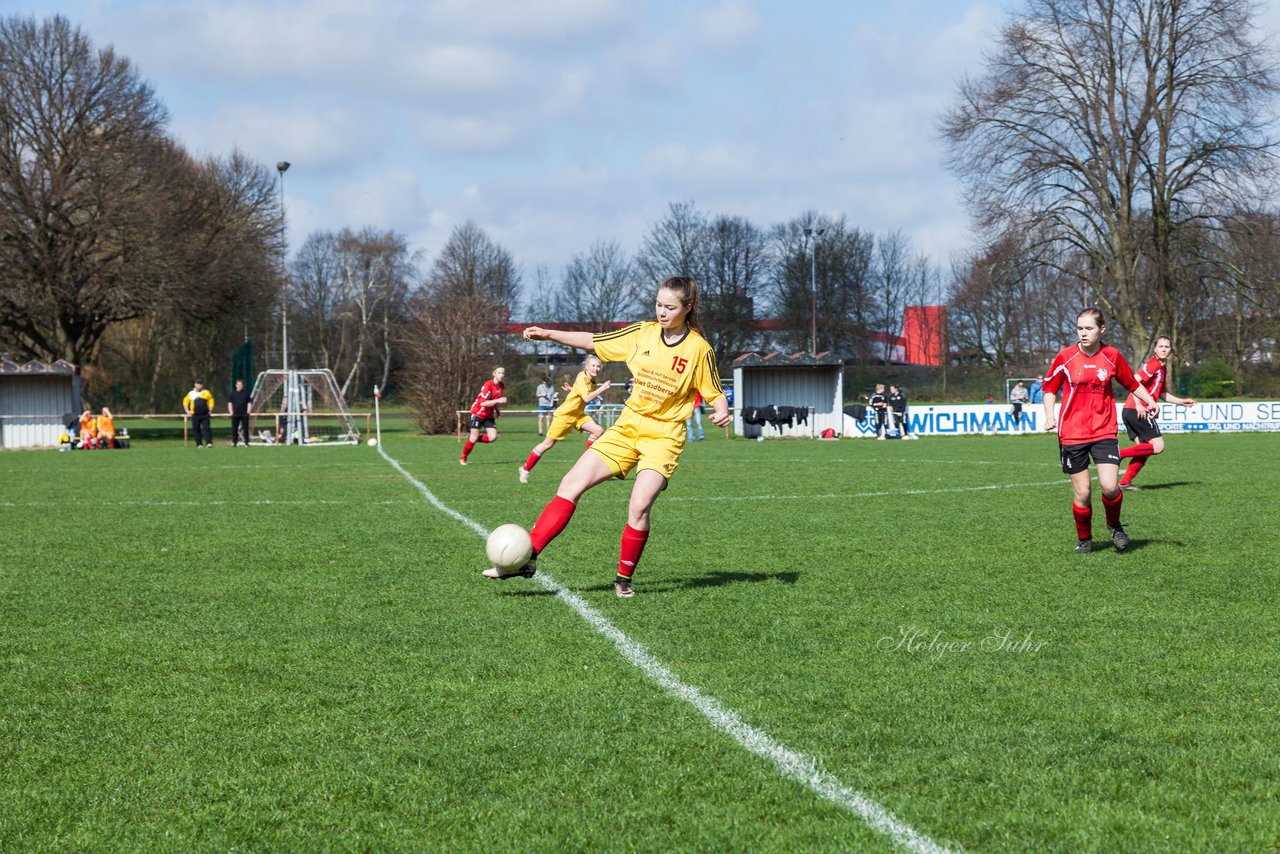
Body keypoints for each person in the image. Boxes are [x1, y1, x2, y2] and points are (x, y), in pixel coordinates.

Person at [484, 276, 729, 598]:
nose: (662, 312)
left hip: (664, 438)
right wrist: (549, 334)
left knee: (639, 506)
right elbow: (593, 341)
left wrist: (721, 409)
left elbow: (714, 391)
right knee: (570, 484)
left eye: (670, 307)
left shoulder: (699, 349)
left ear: (688, 308)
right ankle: (528, 558)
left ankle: (623, 579)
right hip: (627, 429)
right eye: (658, 304)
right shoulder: (642, 333)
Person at [1041, 308, 1159, 553]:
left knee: (1110, 486)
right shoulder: (1066, 356)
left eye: (1089, 328)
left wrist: (1149, 401)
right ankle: (1084, 539)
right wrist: (1050, 414)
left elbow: (1131, 383)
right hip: (1072, 434)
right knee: (1083, 493)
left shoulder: (1112, 356)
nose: (1083, 333)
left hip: (1104, 431)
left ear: (1102, 329)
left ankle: (1115, 526)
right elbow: (1050, 389)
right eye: (1079, 328)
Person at [1118, 336, 1198, 490]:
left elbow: (1161, 394)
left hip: (1131, 410)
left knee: (1143, 451)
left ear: (1170, 350)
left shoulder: (1162, 367)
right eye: (1160, 346)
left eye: (1166, 347)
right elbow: (1134, 380)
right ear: (1154, 349)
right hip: (1138, 409)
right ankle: (1118, 454)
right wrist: (1139, 404)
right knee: (1158, 446)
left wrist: (1182, 401)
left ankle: (1124, 483)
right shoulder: (1153, 364)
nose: (1163, 349)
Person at [519, 356, 611, 483]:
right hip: (565, 416)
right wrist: (603, 388)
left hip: (578, 415)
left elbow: (580, 392)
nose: (596, 368)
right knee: (547, 444)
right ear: (586, 367)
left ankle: (585, 467)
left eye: (598, 366)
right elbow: (587, 398)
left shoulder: (594, 378)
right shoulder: (583, 377)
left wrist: (572, 390)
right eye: (593, 366)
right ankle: (525, 469)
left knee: (598, 430)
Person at [460, 367, 507, 465]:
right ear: (493, 374)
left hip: (488, 415)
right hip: (478, 413)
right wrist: (498, 401)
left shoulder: (501, 386)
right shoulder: (487, 385)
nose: (501, 375)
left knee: (493, 437)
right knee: (473, 439)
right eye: (499, 373)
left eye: (503, 373)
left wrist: (497, 411)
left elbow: (494, 400)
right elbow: (482, 403)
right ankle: (463, 458)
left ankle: (473, 438)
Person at [183, 378, 215, 449]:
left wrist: (210, 409)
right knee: (196, 429)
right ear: (195, 384)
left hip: (205, 414)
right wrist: (187, 411)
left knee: (206, 428)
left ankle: (208, 443)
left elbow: (211, 400)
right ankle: (199, 444)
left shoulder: (206, 392)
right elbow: (185, 402)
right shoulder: (191, 393)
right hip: (195, 414)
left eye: (200, 384)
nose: (199, 385)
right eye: (198, 384)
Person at [228, 379, 253, 447]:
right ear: (236, 385)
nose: (239, 386)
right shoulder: (232, 393)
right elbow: (230, 403)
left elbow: (249, 403)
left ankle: (246, 443)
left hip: (244, 414)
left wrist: (248, 412)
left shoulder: (246, 393)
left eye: (241, 384)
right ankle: (234, 442)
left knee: (245, 429)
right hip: (235, 414)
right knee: (234, 429)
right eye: (238, 384)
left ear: (242, 385)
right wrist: (231, 412)